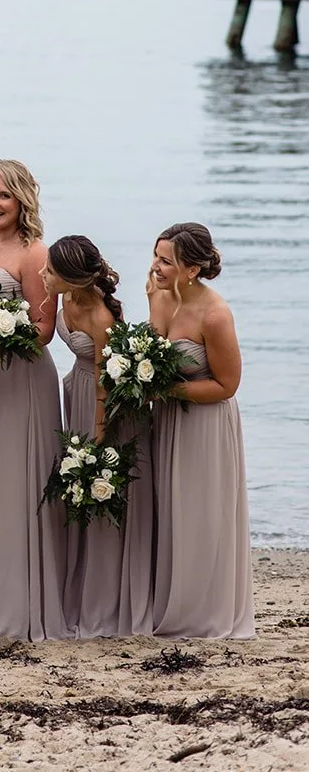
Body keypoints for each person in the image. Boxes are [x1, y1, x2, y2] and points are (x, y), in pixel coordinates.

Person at [0, 159, 68, 640]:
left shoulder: (34, 252)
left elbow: (43, 331)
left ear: (22, 200)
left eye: (3, 195)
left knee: (12, 487)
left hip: (17, 381)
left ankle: (14, 606)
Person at [43, 235, 152, 636]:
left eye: (50, 271)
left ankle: (105, 601)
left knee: (100, 492)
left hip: (104, 405)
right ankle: (78, 592)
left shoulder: (102, 319)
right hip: (77, 389)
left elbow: (108, 385)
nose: (43, 274)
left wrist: (98, 437)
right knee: (78, 498)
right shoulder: (64, 299)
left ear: (71, 278)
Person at [149, 222, 254, 638]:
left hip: (206, 425)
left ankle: (203, 612)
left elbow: (227, 385)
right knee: (171, 510)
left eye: (165, 261)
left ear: (191, 269)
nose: (155, 267)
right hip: (170, 421)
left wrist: (166, 388)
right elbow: (154, 348)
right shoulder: (161, 296)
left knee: (201, 514)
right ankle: (170, 602)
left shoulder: (215, 314)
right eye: (155, 256)